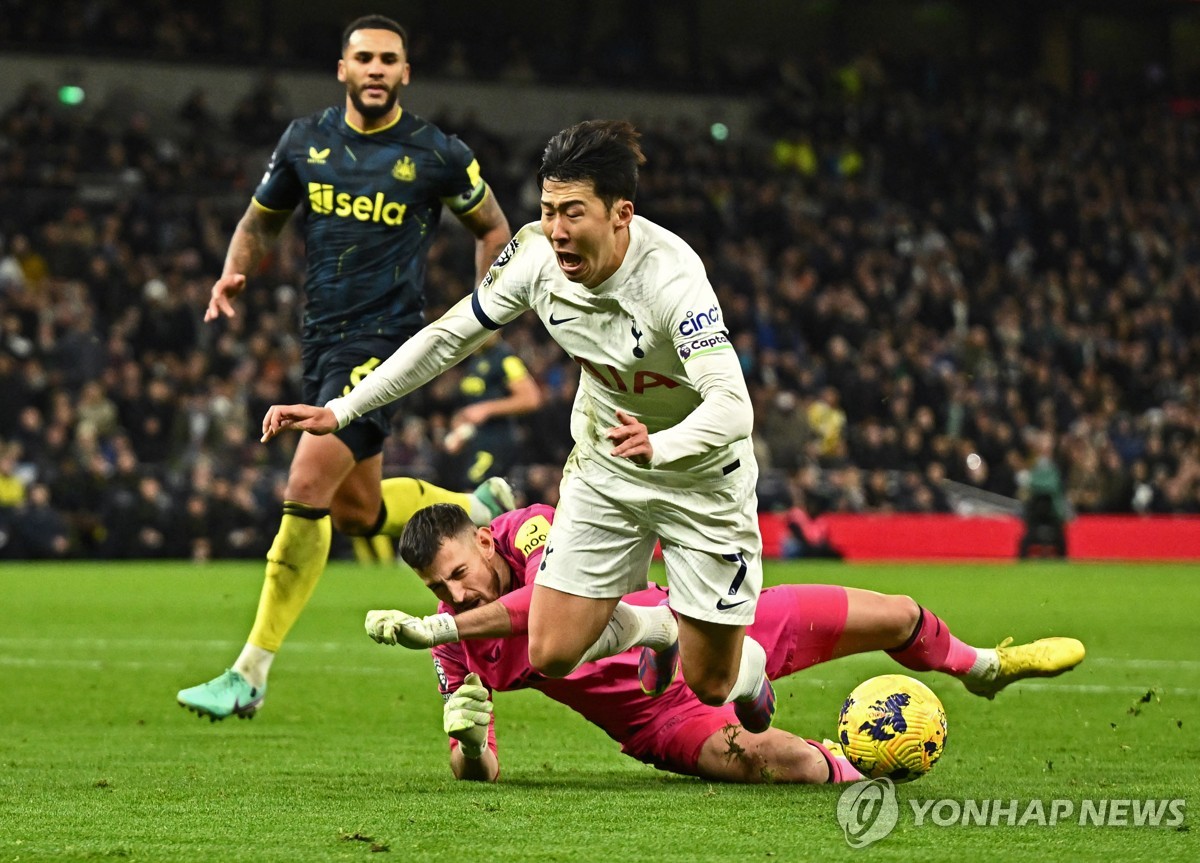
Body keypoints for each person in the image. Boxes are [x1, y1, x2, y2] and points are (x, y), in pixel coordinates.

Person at [261, 120, 780, 732]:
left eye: (574, 213)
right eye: (548, 209)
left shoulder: (672, 282)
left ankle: (730, 661)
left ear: (621, 214)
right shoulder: (535, 256)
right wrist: (344, 410)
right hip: (606, 461)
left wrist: (659, 444)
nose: (557, 229)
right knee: (552, 652)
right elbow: (449, 336)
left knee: (711, 683)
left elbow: (733, 407)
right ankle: (657, 627)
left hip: (698, 477)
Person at [177, 14, 514, 721]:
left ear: (405, 73)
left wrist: (485, 314)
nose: (375, 70)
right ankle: (477, 508)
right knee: (357, 509)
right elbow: (258, 222)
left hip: (386, 345)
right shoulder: (305, 142)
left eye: (388, 59)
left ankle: (250, 672)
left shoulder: (434, 153)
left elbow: (493, 229)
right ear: (342, 68)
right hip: (322, 342)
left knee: (305, 480)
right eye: (363, 58)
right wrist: (235, 272)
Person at [364, 503, 1086, 783]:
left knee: (897, 613)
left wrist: (444, 625)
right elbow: (480, 768)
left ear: (486, 541)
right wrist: (465, 742)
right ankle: (862, 765)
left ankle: (982, 666)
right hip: (662, 720)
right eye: (438, 589)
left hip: (708, 618)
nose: (455, 595)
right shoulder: (457, 644)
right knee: (796, 766)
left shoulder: (531, 529)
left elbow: (544, 606)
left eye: (459, 574)